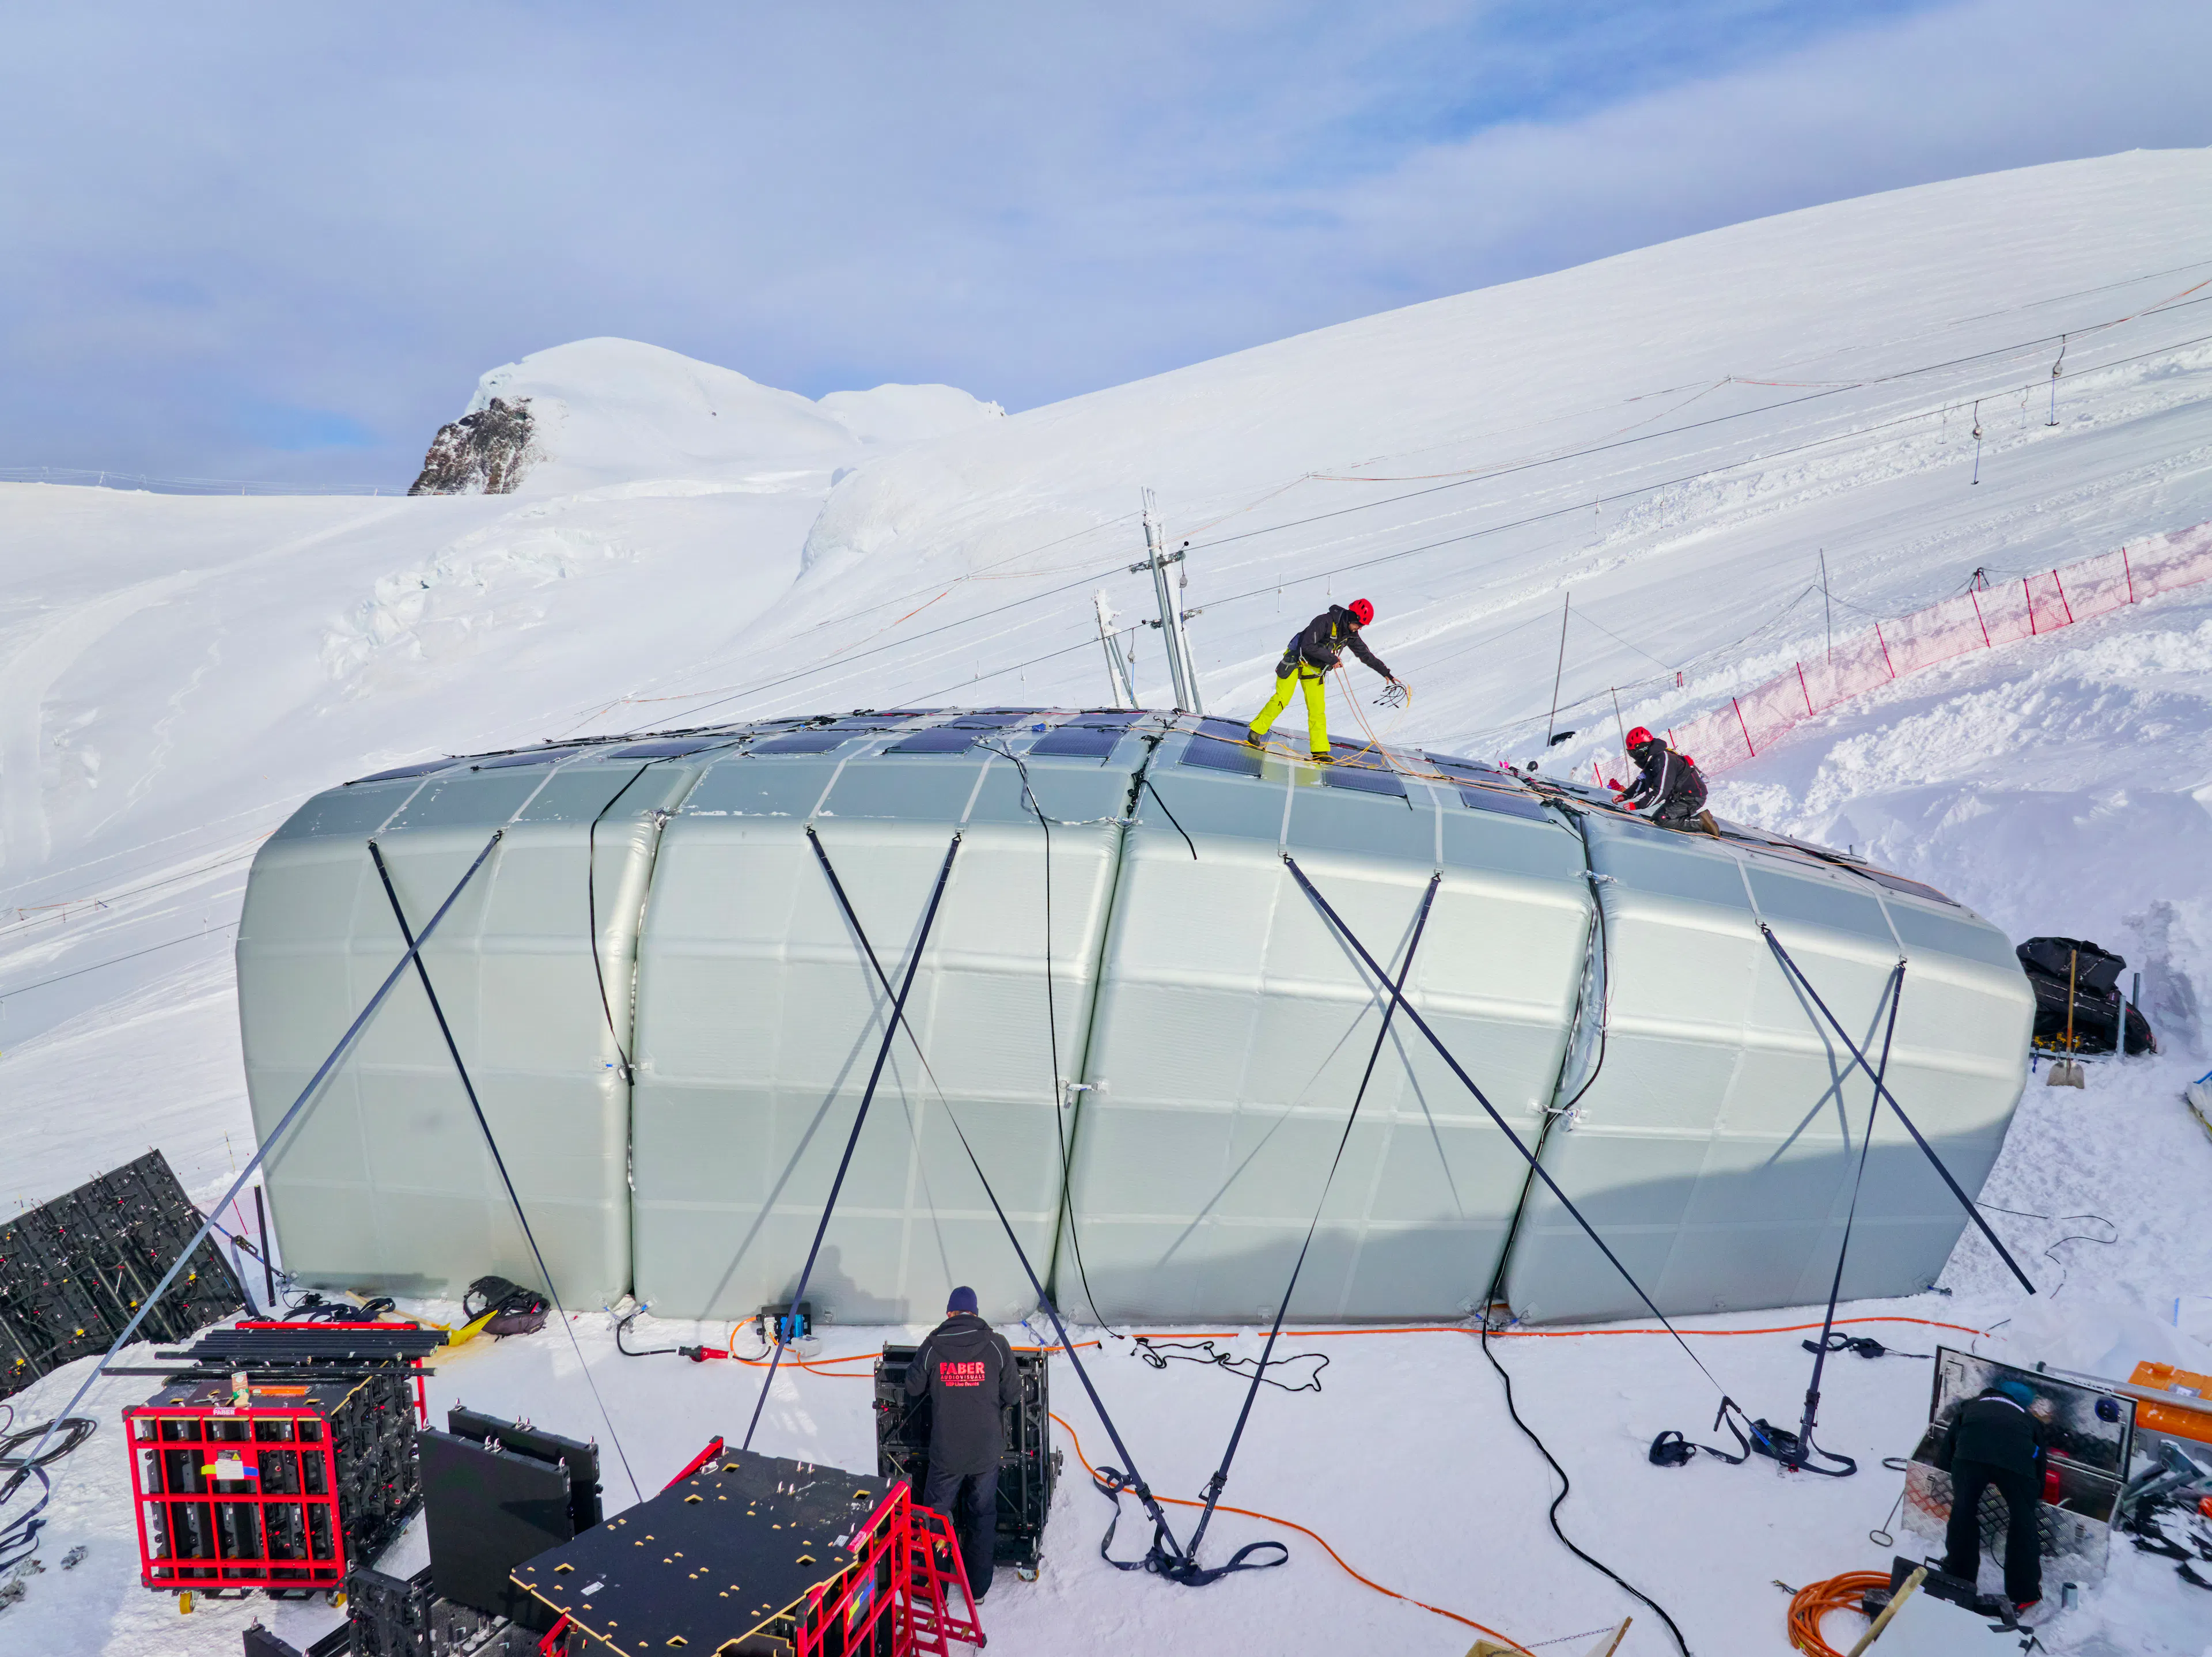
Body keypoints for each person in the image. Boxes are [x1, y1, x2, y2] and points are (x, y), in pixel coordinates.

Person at [904, 1285, 1018, 1601]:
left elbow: (913, 1388)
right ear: (976, 1313)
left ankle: (933, 1589)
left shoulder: (932, 1346)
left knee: (937, 1517)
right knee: (982, 1515)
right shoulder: (996, 1345)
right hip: (985, 1451)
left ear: (949, 1314)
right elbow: (1013, 1393)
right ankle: (977, 1589)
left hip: (947, 1453)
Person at [1246, 599, 1403, 762]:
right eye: (1359, 624)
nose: (1360, 628)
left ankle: (1320, 751)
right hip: (1294, 662)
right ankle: (1256, 732)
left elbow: (1366, 655)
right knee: (1282, 699)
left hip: (1314, 670)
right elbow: (1308, 646)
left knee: (1317, 710)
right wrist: (1332, 659)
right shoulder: (1324, 621)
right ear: (1351, 618)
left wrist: (1386, 673)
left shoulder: (1351, 635)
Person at [1941, 1378, 2047, 1613]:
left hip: (1970, 1455)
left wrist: (1952, 1473)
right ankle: (2024, 1593)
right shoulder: (2029, 1419)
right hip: (2017, 1464)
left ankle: (1959, 1577)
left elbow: (1949, 1444)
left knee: (1963, 1512)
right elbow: (2040, 1461)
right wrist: (2032, 1495)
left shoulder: (1972, 1406)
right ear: (2024, 1404)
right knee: (2023, 1522)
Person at [1614, 726, 1714, 832]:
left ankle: (1701, 822)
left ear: (1642, 749)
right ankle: (1696, 819)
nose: (1633, 756)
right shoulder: (1653, 759)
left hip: (1692, 798)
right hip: (1679, 797)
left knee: (1661, 820)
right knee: (1657, 820)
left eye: (1634, 753)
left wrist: (1637, 805)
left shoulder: (1663, 759)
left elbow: (1661, 792)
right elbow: (1642, 782)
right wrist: (1625, 796)